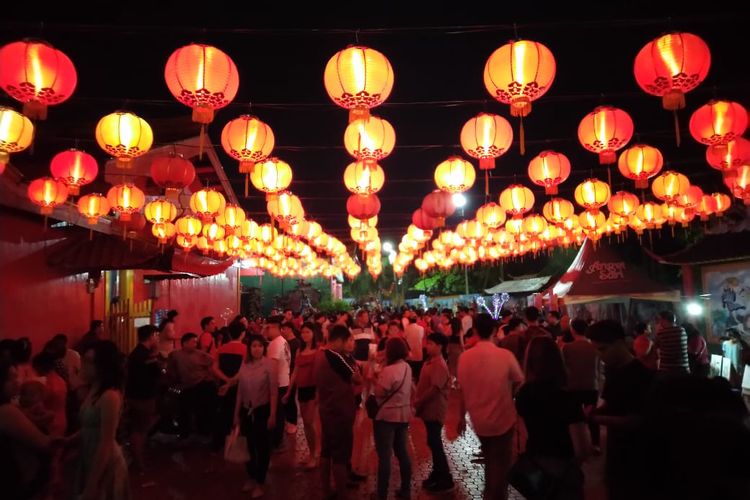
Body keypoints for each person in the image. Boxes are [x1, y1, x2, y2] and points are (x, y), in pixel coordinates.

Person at [457, 314, 524, 500]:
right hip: (503, 418)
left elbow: (462, 389)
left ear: (476, 330)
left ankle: (491, 493)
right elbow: (520, 380)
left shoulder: (465, 357)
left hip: (478, 420)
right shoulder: (505, 355)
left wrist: (461, 417)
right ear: (495, 331)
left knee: (491, 460)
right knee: (500, 465)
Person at [587, 320, 654, 500]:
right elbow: (614, 403)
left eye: (603, 349)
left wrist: (596, 419)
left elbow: (636, 420)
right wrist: (597, 411)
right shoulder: (614, 371)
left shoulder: (641, 376)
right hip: (617, 451)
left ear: (619, 343)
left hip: (637, 456)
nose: (600, 356)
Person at [516, 337, 590, 499]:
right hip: (563, 466)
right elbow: (582, 447)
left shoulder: (524, 393)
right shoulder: (567, 396)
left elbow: (522, 434)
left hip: (535, 466)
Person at [74, 341, 129, 500]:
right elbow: (90, 426)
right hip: (90, 454)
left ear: (103, 366)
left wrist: (92, 485)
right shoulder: (94, 388)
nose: (84, 365)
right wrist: (68, 440)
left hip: (104, 460)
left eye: (90, 362)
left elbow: (106, 441)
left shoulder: (109, 395)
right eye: (84, 360)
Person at [0, 359, 61, 499]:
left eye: (16, 376)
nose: (17, 381)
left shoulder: (12, 408)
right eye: (11, 378)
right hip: (16, 482)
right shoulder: (6, 411)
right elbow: (44, 443)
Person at [314, 325, 361, 500]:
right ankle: (342, 493)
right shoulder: (334, 357)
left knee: (326, 452)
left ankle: (326, 490)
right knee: (340, 455)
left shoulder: (320, 355)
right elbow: (357, 379)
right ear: (340, 340)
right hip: (339, 412)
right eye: (347, 340)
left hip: (327, 410)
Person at [234, 334, 278, 499]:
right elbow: (240, 391)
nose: (257, 349)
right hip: (246, 411)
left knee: (263, 447)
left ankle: (260, 480)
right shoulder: (244, 364)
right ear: (249, 348)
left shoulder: (270, 365)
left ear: (264, 348)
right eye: (254, 346)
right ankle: (251, 476)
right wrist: (236, 414)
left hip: (263, 411)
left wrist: (272, 415)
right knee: (248, 446)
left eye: (260, 346)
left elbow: (273, 393)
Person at [373, 337, 413, 500]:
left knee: (385, 456)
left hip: (386, 416)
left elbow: (379, 392)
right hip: (403, 415)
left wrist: (377, 376)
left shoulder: (388, 370)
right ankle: (405, 489)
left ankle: (382, 493)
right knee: (402, 452)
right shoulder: (407, 367)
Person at [415, 333, 454, 493]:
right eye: (427, 343)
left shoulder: (439, 364)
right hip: (428, 409)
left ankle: (445, 478)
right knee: (433, 442)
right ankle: (437, 474)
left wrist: (418, 402)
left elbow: (434, 389)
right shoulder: (430, 361)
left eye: (430, 343)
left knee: (435, 442)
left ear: (439, 346)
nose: (427, 346)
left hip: (434, 409)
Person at [283, 321, 320, 468]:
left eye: (308, 332)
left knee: (310, 422)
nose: (305, 335)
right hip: (302, 389)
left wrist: (318, 392)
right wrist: (288, 391)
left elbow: (320, 373)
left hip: (313, 389)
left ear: (313, 334)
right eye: (303, 332)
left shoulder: (318, 350)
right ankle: (314, 452)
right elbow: (295, 372)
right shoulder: (299, 350)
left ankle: (314, 454)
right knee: (305, 423)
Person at [125, 325, 161, 471]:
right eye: (156, 335)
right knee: (139, 429)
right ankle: (138, 461)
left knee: (140, 427)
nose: (157, 338)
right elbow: (157, 373)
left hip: (137, 394)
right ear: (151, 336)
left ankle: (137, 457)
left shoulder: (137, 352)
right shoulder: (145, 354)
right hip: (142, 396)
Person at [561, 318, 601, 450]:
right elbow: (599, 368)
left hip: (573, 386)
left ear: (573, 330)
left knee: (573, 417)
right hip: (591, 385)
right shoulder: (595, 347)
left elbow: (562, 367)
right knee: (593, 416)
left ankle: (575, 444)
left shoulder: (566, 348)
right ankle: (596, 444)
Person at [167, 333, 215, 437]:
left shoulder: (201, 355)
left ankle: (202, 432)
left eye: (196, 342)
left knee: (201, 410)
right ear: (185, 343)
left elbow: (213, 363)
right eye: (193, 342)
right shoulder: (175, 355)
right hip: (185, 386)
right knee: (184, 411)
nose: (195, 344)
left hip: (200, 385)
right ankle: (185, 433)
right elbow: (171, 370)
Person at [212, 321, 247, 449]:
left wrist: (226, 380)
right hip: (240, 386)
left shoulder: (221, 348)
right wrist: (232, 381)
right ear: (242, 334)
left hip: (223, 386)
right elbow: (244, 369)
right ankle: (237, 443)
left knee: (224, 412)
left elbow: (214, 368)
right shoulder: (245, 349)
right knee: (239, 413)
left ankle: (220, 442)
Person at [265, 317, 291, 448]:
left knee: (276, 412)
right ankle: (278, 440)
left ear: (275, 327)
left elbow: (273, 365)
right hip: (284, 381)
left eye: (268, 327)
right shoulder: (283, 341)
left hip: (277, 383)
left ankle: (276, 441)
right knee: (280, 412)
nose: (267, 330)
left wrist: (271, 383)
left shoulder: (275, 343)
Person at [30, 351, 68, 437]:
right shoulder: (60, 380)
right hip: (62, 419)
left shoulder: (48, 384)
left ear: (40, 367)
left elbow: (38, 404)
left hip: (51, 422)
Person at [281, 321, 301, 435]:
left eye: (283, 329)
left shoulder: (296, 343)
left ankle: (292, 422)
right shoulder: (284, 342)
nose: (282, 331)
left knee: (291, 397)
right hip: (285, 373)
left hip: (292, 373)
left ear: (289, 329)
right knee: (285, 397)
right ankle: (287, 421)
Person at [404, 311, 425, 380]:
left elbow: (405, 339)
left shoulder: (406, 329)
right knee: (418, 373)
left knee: (411, 373)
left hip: (410, 354)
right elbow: (421, 338)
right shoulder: (421, 328)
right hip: (419, 353)